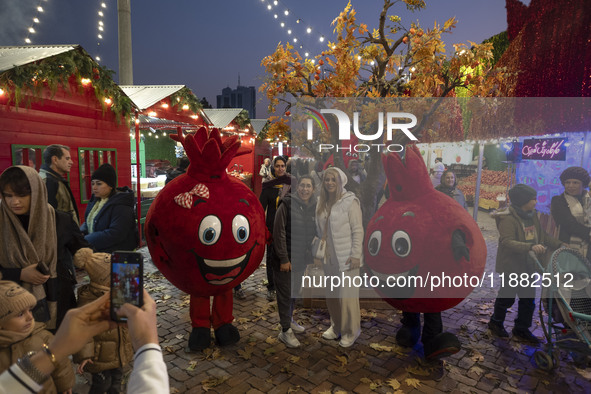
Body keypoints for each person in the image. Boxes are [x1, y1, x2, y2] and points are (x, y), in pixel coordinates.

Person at [0, 291, 168, 394]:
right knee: (102, 384)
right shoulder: (88, 298)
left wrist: (55, 351)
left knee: (115, 382)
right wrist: (148, 348)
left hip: (118, 359)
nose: (30, 316)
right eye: (20, 314)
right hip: (101, 362)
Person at [0, 166, 91, 330]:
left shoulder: (60, 219)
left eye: (22, 195)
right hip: (11, 307)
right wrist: (19, 274)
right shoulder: (2, 222)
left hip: (58, 297)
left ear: (36, 192)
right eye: (8, 195)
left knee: (58, 348)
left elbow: (82, 249)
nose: (15, 202)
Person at [488, 184, 564, 343]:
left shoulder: (532, 215)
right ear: (523, 201)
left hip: (529, 265)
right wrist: (530, 247)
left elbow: (542, 235)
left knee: (528, 300)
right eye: (533, 199)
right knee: (506, 298)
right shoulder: (508, 218)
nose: (536, 202)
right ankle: (496, 323)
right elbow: (507, 242)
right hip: (512, 267)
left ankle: (521, 328)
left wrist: (559, 244)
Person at [71, 250, 133, 394]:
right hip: (98, 357)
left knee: (117, 380)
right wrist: (84, 354)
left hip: (118, 351)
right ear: (103, 280)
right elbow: (81, 330)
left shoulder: (120, 293)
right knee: (102, 384)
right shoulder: (88, 301)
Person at [316, 167, 363, 348]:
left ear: (340, 181)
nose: (329, 183)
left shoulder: (350, 202)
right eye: (327, 179)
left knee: (348, 297)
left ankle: (352, 331)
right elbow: (320, 230)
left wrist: (356, 255)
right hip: (329, 257)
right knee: (333, 295)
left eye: (333, 179)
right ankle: (336, 326)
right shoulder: (322, 202)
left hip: (347, 257)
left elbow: (358, 230)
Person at [0, 280, 74, 394]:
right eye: (20, 314)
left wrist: (65, 384)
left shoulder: (42, 336)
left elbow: (60, 362)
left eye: (29, 310)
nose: (30, 317)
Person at [273, 175, 317, 348]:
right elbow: (279, 233)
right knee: (285, 295)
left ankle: (289, 320)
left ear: (313, 189)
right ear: (297, 187)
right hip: (285, 260)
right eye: (303, 186)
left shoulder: (312, 207)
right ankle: (285, 331)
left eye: (309, 186)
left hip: (300, 260)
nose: (305, 189)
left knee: (293, 293)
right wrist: (284, 258)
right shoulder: (287, 204)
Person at [80, 164, 137, 252]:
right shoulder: (95, 201)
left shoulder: (122, 205)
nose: (94, 187)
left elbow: (116, 233)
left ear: (110, 186)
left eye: (99, 184)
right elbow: (90, 220)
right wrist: (80, 232)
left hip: (116, 256)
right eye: (92, 183)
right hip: (98, 251)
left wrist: (86, 240)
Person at [259, 156, 293, 301]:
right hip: (272, 226)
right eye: (278, 166)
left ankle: (286, 286)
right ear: (273, 167)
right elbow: (261, 208)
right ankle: (272, 287)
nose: (280, 169)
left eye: (283, 166)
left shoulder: (292, 183)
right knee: (272, 257)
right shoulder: (268, 185)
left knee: (287, 256)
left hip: (288, 227)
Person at [551, 166, 591, 260]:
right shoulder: (558, 201)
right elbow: (568, 224)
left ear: (583, 184)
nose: (570, 186)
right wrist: (589, 234)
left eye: (575, 182)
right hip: (568, 246)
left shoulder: (588, 200)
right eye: (567, 182)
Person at [39, 144, 79, 225]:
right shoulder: (48, 181)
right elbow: (49, 217)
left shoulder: (52, 179)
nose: (71, 162)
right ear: (55, 160)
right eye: (67, 158)